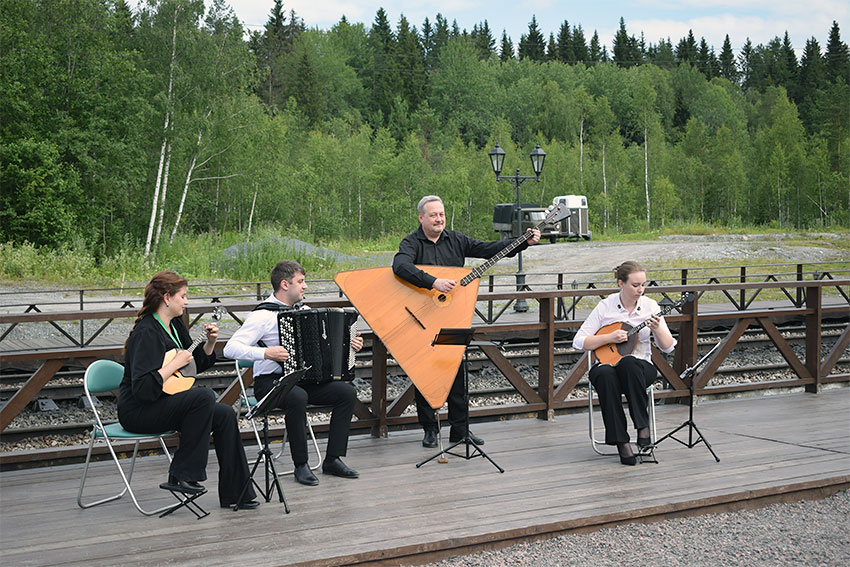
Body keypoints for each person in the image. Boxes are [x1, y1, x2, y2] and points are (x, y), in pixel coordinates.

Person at [392, 195, 541, 448]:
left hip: (452, 318)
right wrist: (433, 282)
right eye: (433, 215)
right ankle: (430, 429)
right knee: (424, 373)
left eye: (441, 214)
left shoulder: (457, 239)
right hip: (422, 320)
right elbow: (400, 266)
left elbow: (489, 250)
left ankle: (460, 430)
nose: (439, 219)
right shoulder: (411, 242)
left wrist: (522, 242)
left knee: (457, 374)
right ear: (421, 218)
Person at [118, 270, 258, 509]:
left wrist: (210, 343)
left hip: (163, 403)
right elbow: (142, 388)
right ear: (166, 297)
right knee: (203, 396)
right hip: (139, 410)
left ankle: (237, 493)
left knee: (223, 414)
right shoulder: (147, 332)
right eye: (182, 296)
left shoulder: (175, 326)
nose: (186, 301)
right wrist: (173, 364)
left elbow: (194, 366)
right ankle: (182, 474)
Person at [223, 260, 363, 486]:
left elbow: (326, 347)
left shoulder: (304, 312)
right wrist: (265, 353)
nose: (305, 286)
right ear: (285, 284)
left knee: (346, 393)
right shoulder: (262, 316)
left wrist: (351, 344)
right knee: (298, 397)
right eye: (301, 281)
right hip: (269, 383)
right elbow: (230, 348)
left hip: (303, 380)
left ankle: (333, 459)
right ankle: (301, 464)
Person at [573, 261, 676, 465]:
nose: (640, 290)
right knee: (604, 375)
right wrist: (608, 338)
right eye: (635, 285)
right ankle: (622, 442)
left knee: (629, 363)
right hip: (608, 367)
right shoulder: (605, 307)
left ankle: (642, 427)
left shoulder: (651, 307)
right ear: (621, 283)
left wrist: (657, 329)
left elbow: (668, 347)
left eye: (643, 285)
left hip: (639, 369)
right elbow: (578, 341)